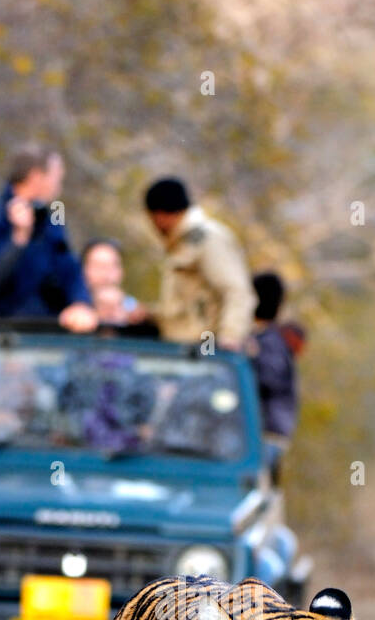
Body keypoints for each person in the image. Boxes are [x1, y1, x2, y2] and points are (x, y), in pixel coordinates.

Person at [0, 147, 96, 329]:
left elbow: (68, 266)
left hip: (45, 333)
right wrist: (18, 240)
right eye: (55, 177)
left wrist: (80, 303)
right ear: (36, 176)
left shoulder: (51, 218)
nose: (59, 184)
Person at [143, 177, 256, 350]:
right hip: (183, 347)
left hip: (205, 344)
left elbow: (236, 291)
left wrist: (230, 336)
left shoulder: (207, 239)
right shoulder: (183, 242)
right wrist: (149, 315)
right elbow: (186, 308)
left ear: (160, 215)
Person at [248, 271, 300, 481]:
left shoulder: (268, 342)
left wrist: (252, 358)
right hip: (270, 430)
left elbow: (270, 378)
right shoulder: (266, 339)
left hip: (268, 431)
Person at [81, 238, 142, 324]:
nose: (107, 273)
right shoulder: (73, 305)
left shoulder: (132, 307)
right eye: (99, 266)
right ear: (83, 270)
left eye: (113, 265)